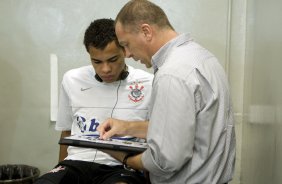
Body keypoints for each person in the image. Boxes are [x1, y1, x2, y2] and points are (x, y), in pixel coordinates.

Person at [97, 0, 236, 184]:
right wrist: (126, 127)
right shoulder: (202, 57)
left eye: (126, 44)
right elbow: (183, 129)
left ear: (146, 32)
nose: (127, 54)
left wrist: (124, 158)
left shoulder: (171, 75)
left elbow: (165, 160)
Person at [35, 18, 153, 184]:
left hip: (121, 167)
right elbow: (67, 132)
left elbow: (157, 136)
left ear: (124, 51)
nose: (105, 69)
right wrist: (60, 168)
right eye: (97, 61)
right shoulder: (72, 79)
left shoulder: (150, 83)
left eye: (113, 60)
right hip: (76, 164)